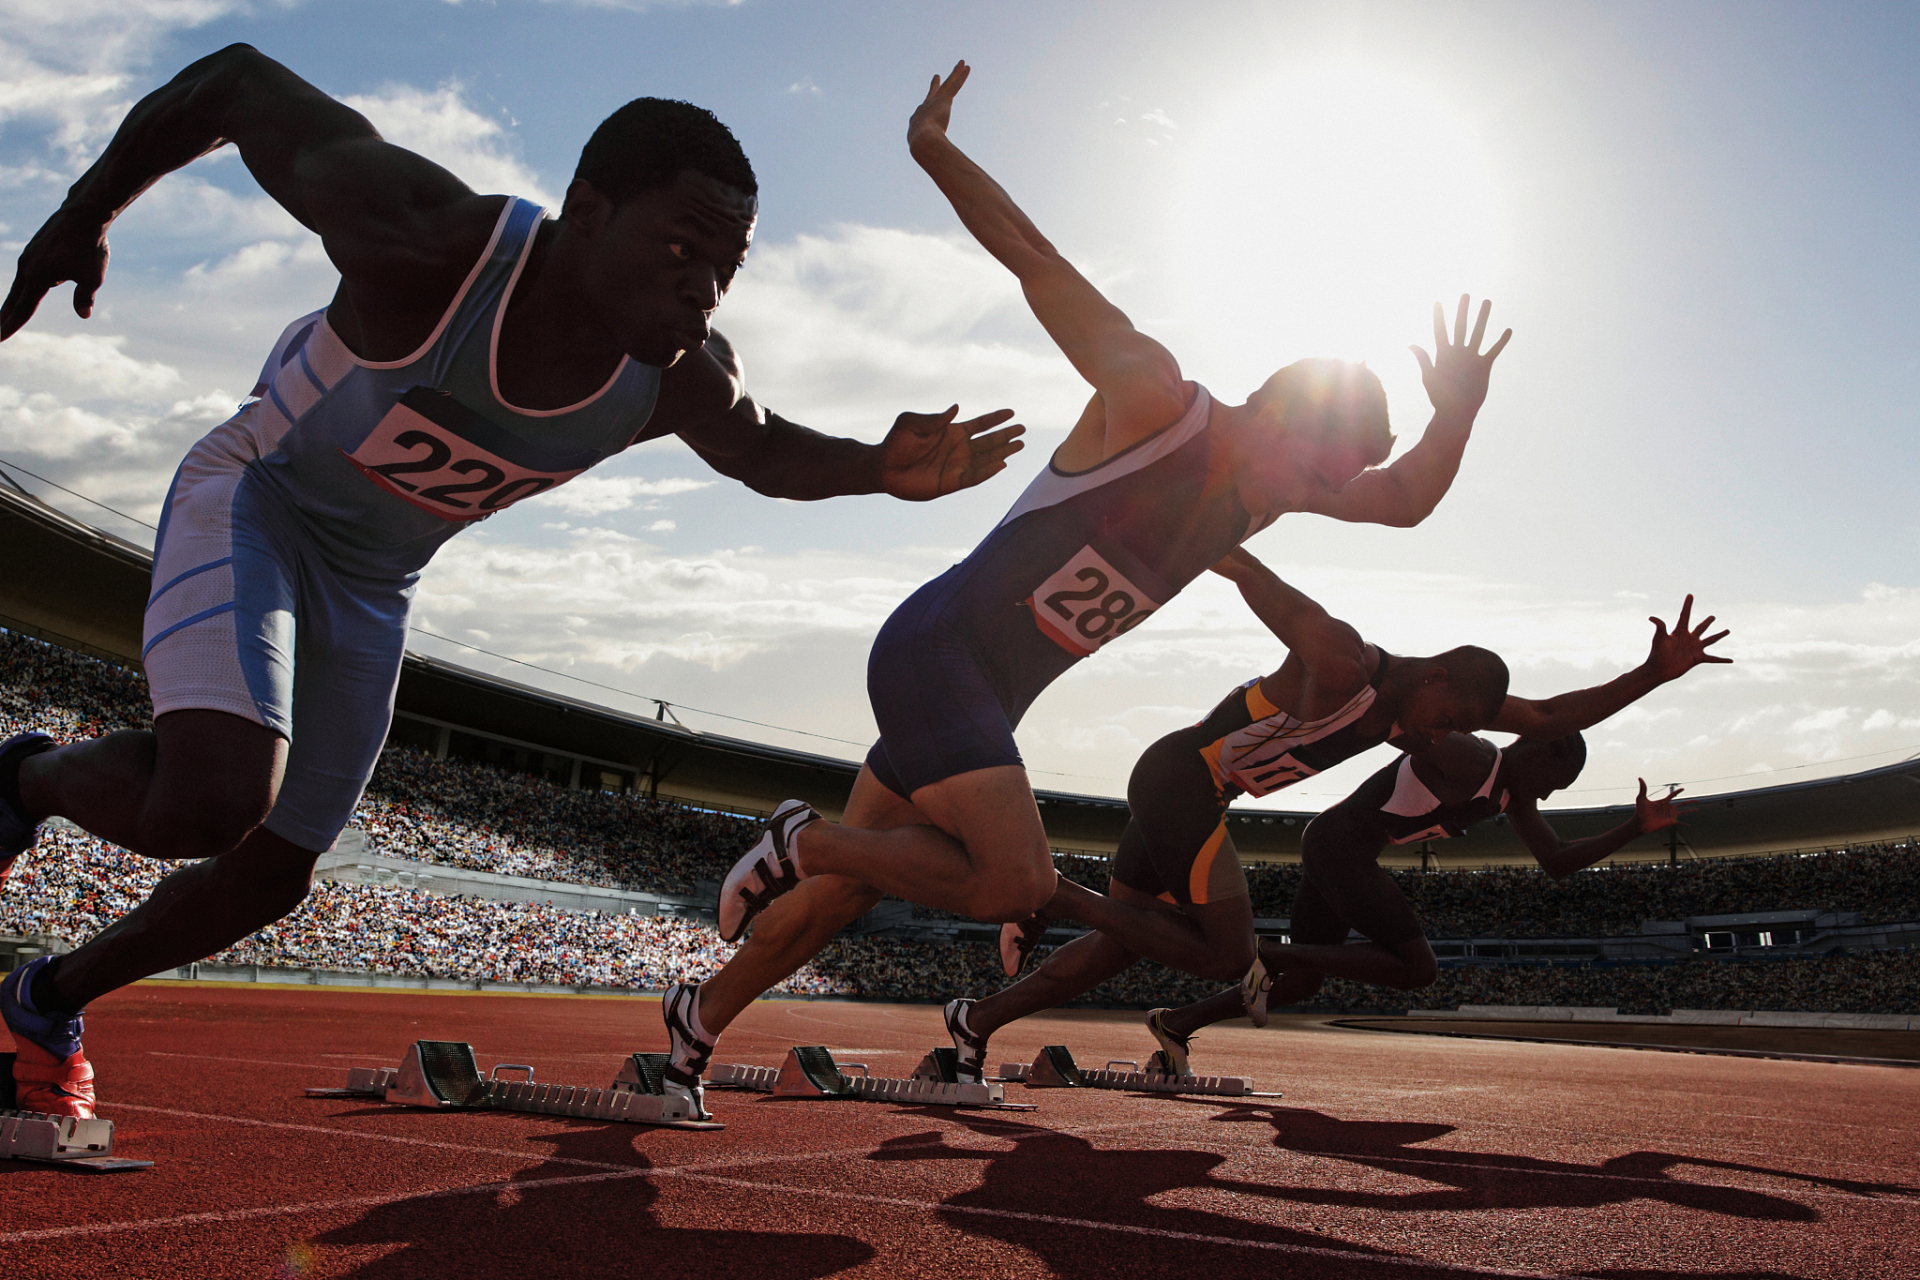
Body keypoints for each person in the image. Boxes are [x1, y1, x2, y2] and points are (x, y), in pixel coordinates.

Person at [0, 45, 1024, 1119]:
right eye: (680, 244)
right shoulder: (439, 244)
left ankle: (40, 997)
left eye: (724, 268)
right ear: (585, 208)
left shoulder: (676, 374)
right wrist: (84, 212)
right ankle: (23, 780)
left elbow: (764, 453)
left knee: (273, 875)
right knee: (212, 798)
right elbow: (236, 83)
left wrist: (874, 466)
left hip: (373, 579)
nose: (701, 286)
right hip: (259, 499)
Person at [664, 61, 1513, 1118]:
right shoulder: (1155, 398)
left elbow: (1404, 500)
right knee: (1011, 880)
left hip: (984, 694)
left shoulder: (1262, 495)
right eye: (1320, 472)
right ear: (1286, 418)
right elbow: (1035, 260)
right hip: (940, 649)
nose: (1324, 498)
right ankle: (800, 837)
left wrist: (1459, 413)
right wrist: (932, 146)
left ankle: (688, 1032)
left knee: (853, 891)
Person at [941, 555, 1728, 1081]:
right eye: (1443, 717)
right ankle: (1049, 892)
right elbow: (1246, 567)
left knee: (1123, 942)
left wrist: (1653, 675)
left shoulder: (1416, 714)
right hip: (1182, 773)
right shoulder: (1344, 659)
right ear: (1438, 672)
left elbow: (1552, 714)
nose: (1430, 737)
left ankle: (977, 1018)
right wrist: (1183, 532)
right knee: (1227, 954)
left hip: (1199, 794)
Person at [1137, 731, 1686, 1075]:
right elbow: (1396, 727)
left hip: (1336, 849)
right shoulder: (1474, 756)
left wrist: (1635, 827)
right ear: (1539, 750)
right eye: (1556, 782)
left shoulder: (1508, 793)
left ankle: (1177, 1021)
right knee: (1418, 968)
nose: (1551, 796)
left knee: (1305, 981)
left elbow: (1558, 860)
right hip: (1340, 849)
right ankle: (1274, 954)